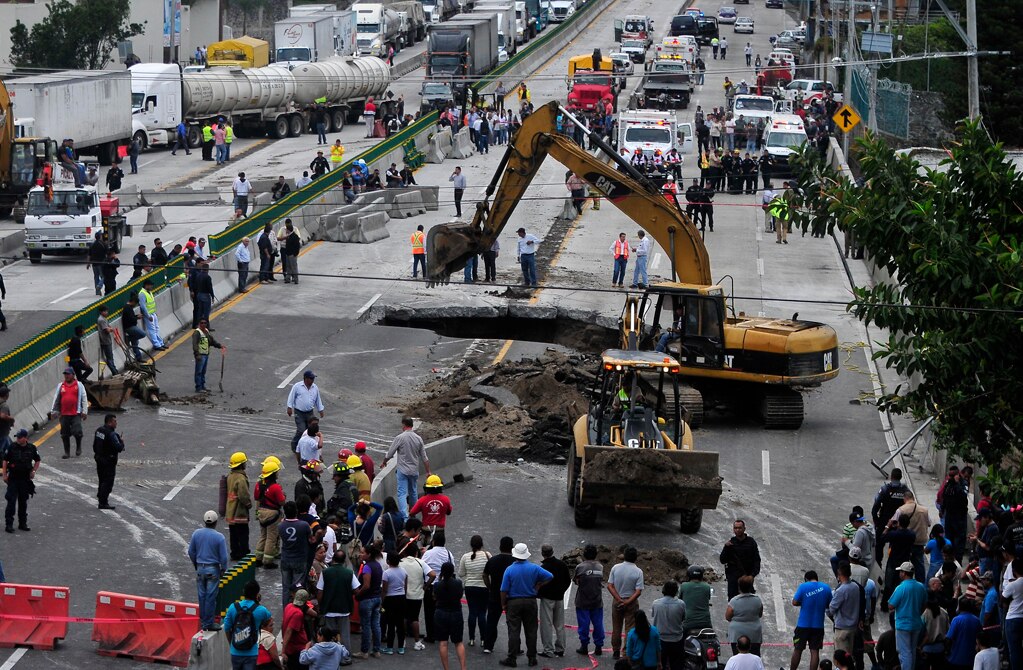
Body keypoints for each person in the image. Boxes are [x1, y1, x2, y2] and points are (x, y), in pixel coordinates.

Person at [499, 542, 553, 667]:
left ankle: (512, 658)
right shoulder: (534, 568)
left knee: (513, 630)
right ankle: (532, 657)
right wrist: (539, 585)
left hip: (514, 602)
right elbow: (550, 576)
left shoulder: (510, 569)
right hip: (530, 601)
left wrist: (503, 604)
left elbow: (503, 590)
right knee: (531, 630)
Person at [188, 510, 230, 630]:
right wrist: (223, 569)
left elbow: (191, 552)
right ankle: (208, 623)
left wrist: (196, 564)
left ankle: (203, 621)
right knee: (210, 597)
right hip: (213, 569)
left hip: (200, 568)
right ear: (216, 523)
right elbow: (223, 557)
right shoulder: (219, 537)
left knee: (202, 596)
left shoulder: (196, 534)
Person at [381, 418, 430, 519]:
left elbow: (390, 453)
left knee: (402, 493)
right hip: (414, 470)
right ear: (412, 425)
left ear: (404, 425)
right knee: (413, 491)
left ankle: (405, 516)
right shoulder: (418, 438)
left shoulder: (400, 438)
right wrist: (428, 471)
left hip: (402, 470)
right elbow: (424, 457)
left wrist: (384, 462)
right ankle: (413, 512)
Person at [887, 560, 928, 670]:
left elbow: (891, 605)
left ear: (904, 573)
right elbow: (924, 604)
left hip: (903, 625)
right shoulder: (921, 586)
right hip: (916, 623)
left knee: (905, 652)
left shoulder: (901, 587)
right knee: (912, 650)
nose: (900, 574)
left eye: (901, 572)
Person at [224, 580, 273, 670]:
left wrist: (231, 643)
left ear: (244, 592)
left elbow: (227, 628)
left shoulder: (233, 607)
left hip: (235, 651)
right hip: (252, 652)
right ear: (257, 594)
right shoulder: (261, 610)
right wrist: (257, 602)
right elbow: (269, 619)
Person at [790, 570, 833, 670]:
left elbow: (795, 602)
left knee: (798, 650)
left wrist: (804, 602)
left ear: (806, 579)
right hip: (818, 625)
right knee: (815, 651)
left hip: (803, 625)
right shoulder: (826, 588)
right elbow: (830, 604)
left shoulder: (803, 586)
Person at [608, 546, 644, 660]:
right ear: (635, 558)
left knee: (616, 627)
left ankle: (615, 650)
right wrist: (627, 601)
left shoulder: (615, 568)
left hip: (617, 601)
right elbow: (638, 591)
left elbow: (610, 586)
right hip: (631, 602)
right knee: (630, 628)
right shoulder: (638, 571)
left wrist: (619, 599)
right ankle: (626, 653)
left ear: (624, 556)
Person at [2, 429, 40, 533]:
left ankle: (22, 523)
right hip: (13, 478)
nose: (17, 439)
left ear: (25, 438)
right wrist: (5, 475)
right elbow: (5, 460)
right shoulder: (12, 447)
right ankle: (9, 524)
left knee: (23, 502)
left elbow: (37, 460)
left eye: (19, 437)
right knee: (11, 502)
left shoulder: (32, 448)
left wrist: (33, 471)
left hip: (25, 479)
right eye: (17, 437)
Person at [484, 536, 516, 655]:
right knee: (513, 623)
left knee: (491, 621)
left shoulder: (493, 560)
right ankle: (514, 647)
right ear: (512, 548)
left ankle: (488, 645)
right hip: (511, 596)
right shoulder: (515, 562)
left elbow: (485, 575)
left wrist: (490, 586)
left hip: (494, 594)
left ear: (500, 546)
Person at [538, 544, 571, 658]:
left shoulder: (543, 567)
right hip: (559, 598)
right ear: (553, 552)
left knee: (546, 624)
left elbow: (538, 583)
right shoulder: (562, 564)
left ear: (543, 553)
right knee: (560, 624)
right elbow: (567, 580)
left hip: (547, 598)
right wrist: (562, 591)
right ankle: (560, 648)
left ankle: (548, 649)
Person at [573, 543, 605, 656]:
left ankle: (584, 646)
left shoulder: (580, 567)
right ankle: (599, 647)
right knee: (598, 624)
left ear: (584, 554)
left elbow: (576, 581)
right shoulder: (600, 567)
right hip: (597, 601)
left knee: (584, 625)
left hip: (583, 601)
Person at [434, 561, 467, 670]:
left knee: (443, 642)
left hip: (441, 613)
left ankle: (446, 668)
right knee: (458, 642)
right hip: (455, 613)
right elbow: (459, 595)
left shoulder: (437, 585)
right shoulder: (458, 583)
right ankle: (463, 667)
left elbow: (435, 597)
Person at [353, 542, 384, 658]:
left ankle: (364, 651)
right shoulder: (378, 565)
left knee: (366, 625)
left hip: (367, 599)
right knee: (376, 624)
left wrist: (358, 595)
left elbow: (366, 585)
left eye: (362, 553)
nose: (360, 555)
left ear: (369, 554)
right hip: (377, 598)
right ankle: (376, 650)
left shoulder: (367, 567)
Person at [49, 367, 87, 459]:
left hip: (75, 413)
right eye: (65, 374)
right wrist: (53, 411)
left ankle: (78, 447)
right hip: (64, 414)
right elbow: (56, 399)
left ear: (73, 375)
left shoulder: (79, 385)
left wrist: (84, 411)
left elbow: (84, 398)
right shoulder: (61, 385)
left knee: (77, 431)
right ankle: (67, 452)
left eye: (68, 374)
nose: (66, 376)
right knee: (64, 434)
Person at [254, 458, 285, 569]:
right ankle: (267, 560)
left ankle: (258, 558)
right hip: (272, 514)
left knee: (263, 535)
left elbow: (257, 498)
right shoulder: (275, 487)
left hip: (261, 512)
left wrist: (257, 513)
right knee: (271, 537)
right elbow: (281, 502)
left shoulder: (258, 484)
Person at [720, 519, 761, 600]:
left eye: (740, 528)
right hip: (733, 578)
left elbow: (756, 560)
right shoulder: (731, 543)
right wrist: (726, 548)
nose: (737, 530)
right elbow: (722, 560)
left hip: (746, 577)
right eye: (735, 528)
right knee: (733, 600)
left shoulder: (751, 542)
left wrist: (752, 575)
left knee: (749, 600)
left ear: (744, 529)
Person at [287, 371, 325, 454]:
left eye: (313, 378)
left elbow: (318, 400)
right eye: (311, 378)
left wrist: (320, 410)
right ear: (306, 379)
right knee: (301, 430)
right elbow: (291, 397)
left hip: (310, 412)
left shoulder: (315, 387)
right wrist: (289, 407)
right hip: (299, 412)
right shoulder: (297, 386)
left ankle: (311, 446)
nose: (313, 380)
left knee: (312, 430)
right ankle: (294, 445)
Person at [92, 413, 123, 511]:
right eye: (115, 421)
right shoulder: (112, 434)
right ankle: (103, 502)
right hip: (108, 461)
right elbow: (119, 448)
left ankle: (100, 496)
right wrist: (121, 441)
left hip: (99, 458)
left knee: (101, 479)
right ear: (110, 422)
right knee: (108, 481)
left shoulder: (99, 431)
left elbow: (94, 445)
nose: (116, 423)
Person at [828, 563, 861, 655]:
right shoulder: (855, 587)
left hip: (842, 628)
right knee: (849, 655)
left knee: (842, 658)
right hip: (852, 626)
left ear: (839, 574)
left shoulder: (841, 590)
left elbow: (831, 609)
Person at [652, 581, 686, 670]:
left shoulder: (656, 603)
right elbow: (683, 618)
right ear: (676, 591)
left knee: (660, 664)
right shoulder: (681, 604)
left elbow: (654, 616)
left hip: (660, 639)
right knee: (677, 664)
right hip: (676, 639)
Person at [727, 576, 764, 656]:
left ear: (739, 587)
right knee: (755, 654)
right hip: (754, 633)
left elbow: (728, 617)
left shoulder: (734, 601)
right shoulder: (757, 600)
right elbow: (760, 614)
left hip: (736, 634)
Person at [226, 452, 252, 560]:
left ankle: (235, 552)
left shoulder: (230, 476)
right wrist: (248, 504)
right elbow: (243, 495)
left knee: (233, 534)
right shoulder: (241, 478)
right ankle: (244, 552)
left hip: (230, 509)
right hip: (239, 511)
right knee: (243, 533)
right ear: (241, 465)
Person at [282, 588, 313, 668]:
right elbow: (289, 630)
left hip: (291, 647)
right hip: (297, 649)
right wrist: (283, 651)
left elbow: (283, 625)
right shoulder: (298, 614)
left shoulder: (288, 606)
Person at [191, 319, 225, 394]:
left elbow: (212, 341)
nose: (203, 324)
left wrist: (219, 346)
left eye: (205, 323)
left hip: (206, 354)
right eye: (202, 323)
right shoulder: (197, 333)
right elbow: (195, 345)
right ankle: (198, 387)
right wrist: (197, 354)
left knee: (203, 371)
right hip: (200, 355)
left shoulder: (206, 331)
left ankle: (203, 386)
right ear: (199, 324)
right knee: (199, 372)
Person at [946, 597, 980, 670]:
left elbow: (949, 638)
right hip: (971, 659)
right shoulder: (976, 620)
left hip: (956, 659)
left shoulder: (956, 620)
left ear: (959, 607)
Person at [680, 565, 712, 636]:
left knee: (680, 640)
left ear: (689, 575)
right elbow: (708, 598)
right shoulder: (707, 586)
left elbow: (679, 600)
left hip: (688, 623)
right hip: (706, 622)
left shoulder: (684, 586)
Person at [1003, 558, 1023, 670]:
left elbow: (1003, 599)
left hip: (1013, 618)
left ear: (1014, 570)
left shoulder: (1013, 585)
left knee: (1014, 650)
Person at [138, 278, 166, 350]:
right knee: (152, 330)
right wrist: (148, 315)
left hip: (153, 313)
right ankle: (157, 345)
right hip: (149, 315)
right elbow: (143, 306)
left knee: (156, 328)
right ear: (146, 285)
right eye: (150, 285)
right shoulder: (142, 294)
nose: (151, 287)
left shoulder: (149, 292)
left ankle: (160, 343)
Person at [95, 305, 119, 377]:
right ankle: (114, 372)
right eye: (105, 311)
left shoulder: (104, 319)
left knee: (111, 356)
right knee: (109, 358)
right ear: (102, 312)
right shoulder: (101, 320)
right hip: (105, 341)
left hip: (107, 340)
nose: (107, 312)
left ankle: (115, 370)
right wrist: (112, 329)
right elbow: (107, 330)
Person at [281, 220, 301, 284]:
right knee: (288, 267)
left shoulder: (295, 237)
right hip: (288, 254)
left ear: (288, 230)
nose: (285, 231)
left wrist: (295, 254)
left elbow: (297, 246)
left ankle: (296, 279)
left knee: (294, 267)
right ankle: (288, 278)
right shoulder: (288, 236)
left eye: (286, 230)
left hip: (292, 255)